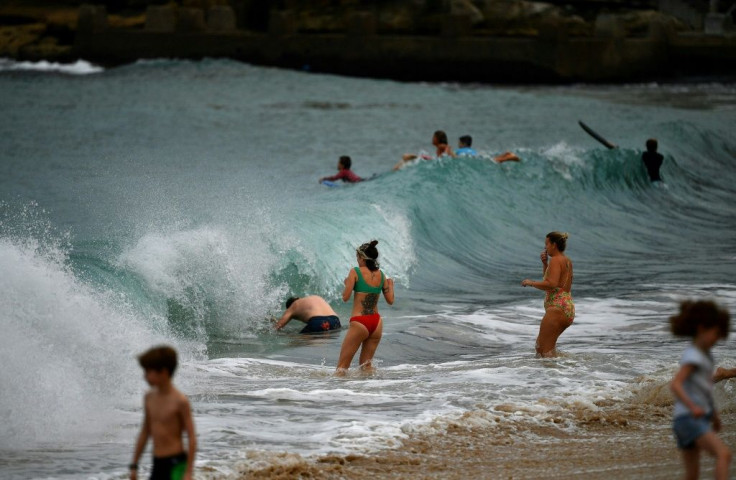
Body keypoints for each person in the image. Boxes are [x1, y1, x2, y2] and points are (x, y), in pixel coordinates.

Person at [669, 300, 731, 480]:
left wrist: (714, 416)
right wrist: (693, 407)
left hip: (685, 419)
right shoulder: (694, 355)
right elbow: (676, 384)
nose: (718, 338)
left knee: (692, 476)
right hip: (690, 418)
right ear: (701, 329)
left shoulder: (704, 355)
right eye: (716, 333)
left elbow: (704, 390)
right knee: (723, 454)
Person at [130, 346, 196, 480]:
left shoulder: (180, 401)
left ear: (164, 372)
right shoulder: (149, 397)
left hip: (176, 464)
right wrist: (134, 464)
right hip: (157, 462)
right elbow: (145, 432)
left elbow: (191, 438)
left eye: (149, 372)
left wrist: (188, 472)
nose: (145, 376)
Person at [336, 240, 394, 374]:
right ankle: (369, 392)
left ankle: (336, 394)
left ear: (362, 257)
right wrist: (391, 286)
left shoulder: (355, 272)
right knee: (366, 368)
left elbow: (345, 298)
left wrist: (347, 284)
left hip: (360, 323)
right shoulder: (382, 275)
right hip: (376, 323)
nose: (357, 261)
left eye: (357, 257)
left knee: (341, 368)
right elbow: (390, 300)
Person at [521, 231, 574, 357]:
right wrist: (545, 264)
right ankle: (560, 372)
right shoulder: (566, 260)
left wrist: (531, 282)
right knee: (542, 348)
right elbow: (554, 283)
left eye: (547, 244)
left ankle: (555, 375)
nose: (545, 248)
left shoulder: (556, 260)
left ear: (554, 245)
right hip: (566, 308)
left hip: (557, 309)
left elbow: (551, 284)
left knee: (544, 351)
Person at [274, 295, 342, 333]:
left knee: (294, 340)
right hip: (335, 321)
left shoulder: (293, 306)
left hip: (318, 322)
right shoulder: (315, 297)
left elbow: (278, 326)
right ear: (298, 298)